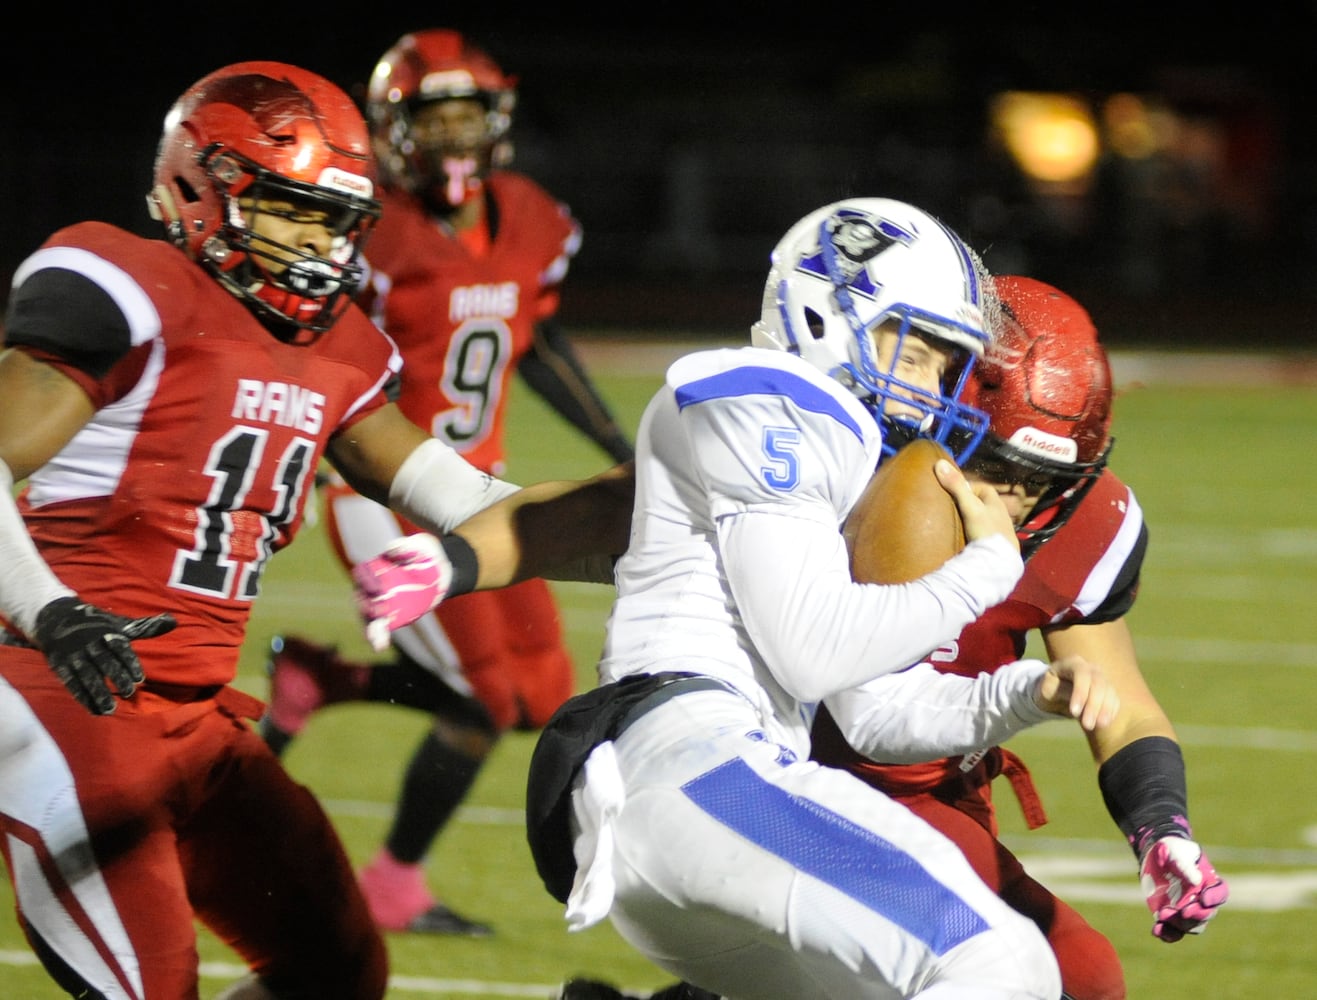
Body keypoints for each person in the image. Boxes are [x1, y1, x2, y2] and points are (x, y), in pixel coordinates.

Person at [0, 61, 630, 1000]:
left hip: (201, 723)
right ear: (200, 188)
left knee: (336, 971)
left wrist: (667, 533)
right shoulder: (129, 284)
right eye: (293, 211)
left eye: (336, 223)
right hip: (61, 698)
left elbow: (475, 506)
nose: (318, 247)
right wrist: (49, 610)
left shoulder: (337, 347)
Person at [522, 197, 1120, 1000]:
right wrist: (983, 570)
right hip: (693, 765)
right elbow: (811, 650)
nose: (927, 389)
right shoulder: (777, 400)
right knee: (997, 963)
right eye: (913, 352)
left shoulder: (833, 459)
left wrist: (1023, 693)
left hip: (696, 795)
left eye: (942, 369)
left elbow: (869, 712)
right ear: (826, 308)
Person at [256, 29, 635, 938]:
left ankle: (326, 680)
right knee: (484, 700)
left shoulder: (530, 216)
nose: (455, 137)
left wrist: (621, 444)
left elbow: (533, 340)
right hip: (380, 496)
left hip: (479, 491)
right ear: (394, 128)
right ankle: (392, 884)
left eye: (468, 115)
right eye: (436, 116)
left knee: (538, 698)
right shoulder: (370, 234)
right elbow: (312, 355)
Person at [807, 275, 1229, 999]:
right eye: (993, 464)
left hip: (932, 796)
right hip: (790, 777)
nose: (1011, 501)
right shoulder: (832, 472)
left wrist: (1161, 828)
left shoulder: (1083, 523)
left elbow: (1120, 705)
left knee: (1077, 977)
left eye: (1037, 481)